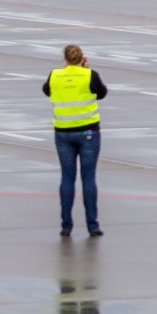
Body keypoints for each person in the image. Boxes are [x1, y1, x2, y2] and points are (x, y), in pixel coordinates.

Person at [43, 44, 108, 237]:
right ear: (82, 59)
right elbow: (102, 93)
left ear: (64, 59)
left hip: (63, 132)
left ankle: (66, 225)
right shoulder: (90, 75)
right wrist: (85, 70)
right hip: (88, 132)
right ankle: (93, 225)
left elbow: (47, 91)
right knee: (88, 178)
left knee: (67, 177)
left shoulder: (54, 75)